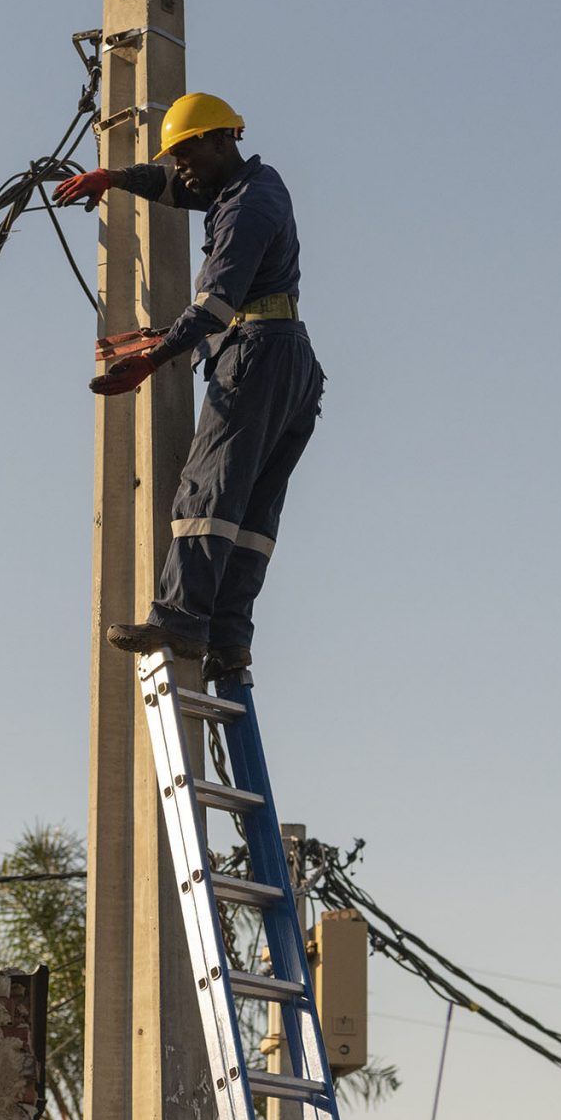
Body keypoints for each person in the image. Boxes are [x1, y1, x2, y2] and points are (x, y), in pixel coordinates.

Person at [55, 92, 323, 680]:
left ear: (221, 140)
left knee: (208, 492)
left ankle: (179, 618)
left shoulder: (246, 207)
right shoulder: (247, 184)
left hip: (256, 353)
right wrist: (116, 177)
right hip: (291, 358)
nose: (180, 167)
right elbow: (177, 189)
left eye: (184, 153)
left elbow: (215, 302)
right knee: (250, 513)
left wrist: (153, 361)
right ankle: (229, 639)